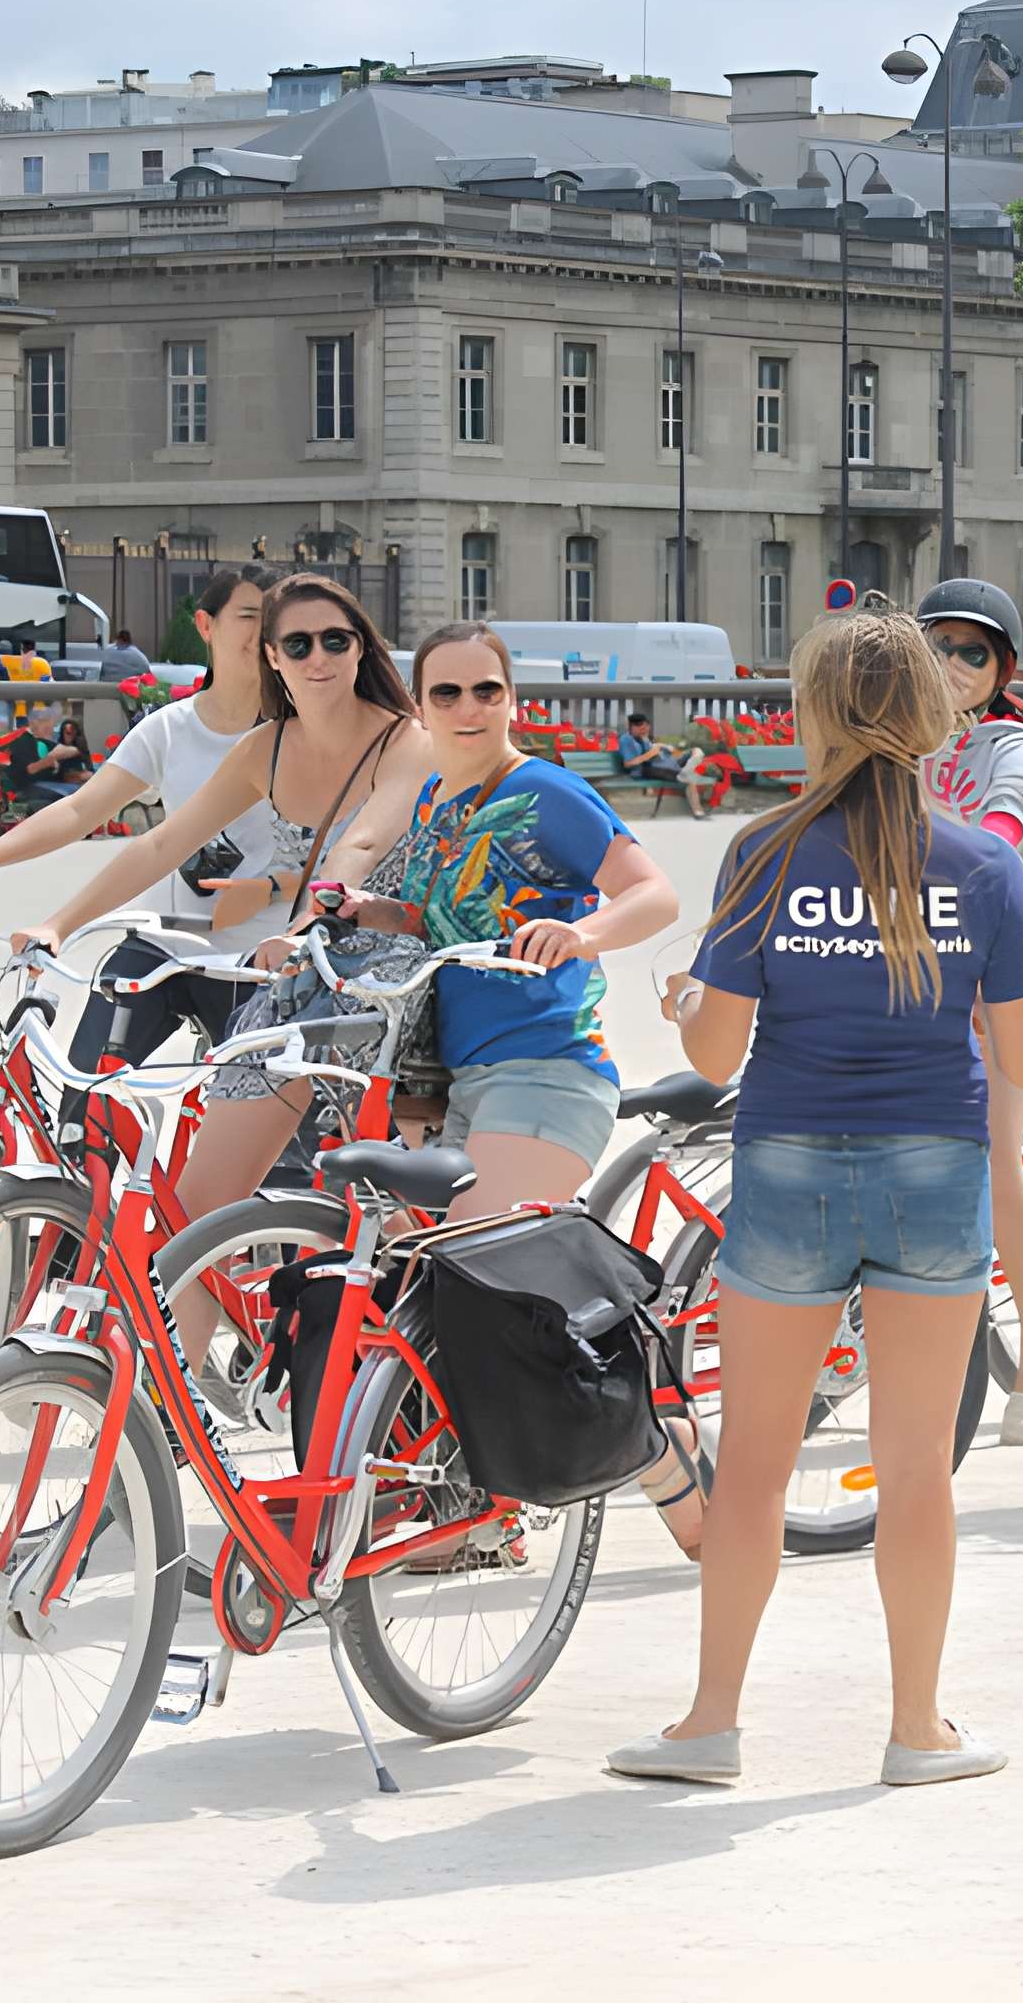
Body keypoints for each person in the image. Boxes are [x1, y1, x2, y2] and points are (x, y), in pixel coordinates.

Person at [613, 609, 1023, 1789]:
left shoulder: (763, 850)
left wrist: (678, 1003)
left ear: (810, 715)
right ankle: (917, 1730)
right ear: (934, 717)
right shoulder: (982, 863)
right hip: (932, 1165)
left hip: (790, 1164)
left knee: (752, 1464)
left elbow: (712, 1056)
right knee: (916, 1468)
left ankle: (710, 1725)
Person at [286, 619, 693, 1540]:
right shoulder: (434, 801)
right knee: (416, 1290)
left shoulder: (545, 792)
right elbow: (434, 922)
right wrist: (358, 909)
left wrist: (582, 934)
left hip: (546, 1075)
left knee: (471, 1286)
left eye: (488, 692)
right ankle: (464, 1499)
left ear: (514, 699)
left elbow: (653, 892)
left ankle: (644, 1451)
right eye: (447, 694)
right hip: (458, 1080)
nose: (469, 710)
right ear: (421, 708)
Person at [11, 572, 434, 1385]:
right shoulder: (262, 748)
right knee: (200, 1208)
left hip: (395, 987)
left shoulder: (403, 739)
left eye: (336, 640)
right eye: (298, 644)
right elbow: (159, 846)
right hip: (307, 986)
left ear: (361, 648)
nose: (319, 658)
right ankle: (161, 1409)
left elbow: (366, 843)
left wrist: (311, 921)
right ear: (270, 657)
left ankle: (404, 1398)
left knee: (401, 1215)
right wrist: (59, 923)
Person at [0, 565, 286, 1067]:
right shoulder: (168, 729)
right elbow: (80, 809)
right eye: (249, 616)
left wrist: (276, 891)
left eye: (275, 619)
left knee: (261, 1125)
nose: (264, 633)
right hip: (165, 943)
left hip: (257, 959)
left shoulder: (300, 735)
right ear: (206, 625)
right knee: (85, 1092)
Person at [914, 577, 1023, 1443]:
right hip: (896, 982)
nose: (951, 666)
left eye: (971, 652)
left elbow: (1007, 831)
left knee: (993, 1159)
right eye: (936, 647)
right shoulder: (891, 743)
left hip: (994, 983)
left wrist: (971, 858)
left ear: (1000, 668)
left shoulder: (1009, 747)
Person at [615, 709, 720, 818]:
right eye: (639, 727)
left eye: (646, 726)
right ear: (631, 727)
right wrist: (650, 754)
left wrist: (662, 746)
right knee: (690, 778)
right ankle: (698, 811)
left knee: (696, 751)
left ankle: (685, 772)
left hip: (665, 763)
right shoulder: (626, 740)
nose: (643, 729)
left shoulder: (642, 737)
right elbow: (628, 763)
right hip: (648, 769)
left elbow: (652, 748)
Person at [6, 707, 91, 812]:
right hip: (25, 788)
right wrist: (52, 758)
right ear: (32, 723)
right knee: (77, 794)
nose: (48, 726)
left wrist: (81, 776)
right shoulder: (23, 739)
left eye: (49, 721)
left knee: (87, 791)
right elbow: (30, 770)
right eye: (43, 721)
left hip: (47, 785)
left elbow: (60, 775)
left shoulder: (50, 742)